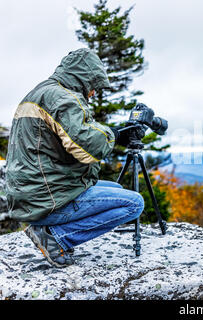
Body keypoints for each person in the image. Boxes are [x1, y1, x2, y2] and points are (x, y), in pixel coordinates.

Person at [4, 48, 143, 268]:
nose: (94, 93)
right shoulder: (63, 99)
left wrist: (113, 135)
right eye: (94, 86)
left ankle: (49, 230)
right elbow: (86, 149)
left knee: (117, 191)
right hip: (45, 200)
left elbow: (68, 137)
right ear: (84, 78)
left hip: (31, 194)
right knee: (134, 203)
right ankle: (56, 237)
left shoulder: (42, 92)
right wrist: (115, 135)